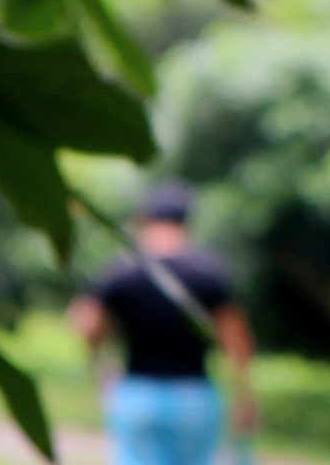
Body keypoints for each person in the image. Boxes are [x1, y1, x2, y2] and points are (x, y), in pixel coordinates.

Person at [69, 183, 257, 465]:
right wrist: (244, 394)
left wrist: (100, 362)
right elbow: (236, 339)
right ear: (187, 223)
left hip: (137, 394)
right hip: (194, 397)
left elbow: (85, 321)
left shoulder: (122, 271)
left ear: (144, 220)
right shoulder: (209, 273)